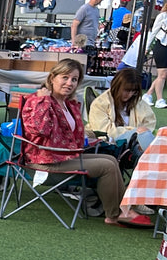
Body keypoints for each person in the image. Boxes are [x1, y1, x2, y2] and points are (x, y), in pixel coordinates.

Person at [23, 59, 145, 227]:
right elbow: (39, 130)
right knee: (107, 166)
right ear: (52, 78)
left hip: (64, 157)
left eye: (74, 79)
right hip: (45, 162)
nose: (69, 83)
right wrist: (42, 101)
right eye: (64, 77)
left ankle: (124, 209)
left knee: (110, 160)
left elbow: (73, 137)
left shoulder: (68, 104)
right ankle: (115, 214)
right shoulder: (36, 101)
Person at [88, 68, 156, 155]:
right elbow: (103, 130)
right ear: (117, 86)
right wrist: (135, 131)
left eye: (134, 91)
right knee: (142, 135)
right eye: (127, 90)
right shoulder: (100, 103)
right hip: (111, 141)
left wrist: (138, 135)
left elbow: (149, 124)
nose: (130, 94)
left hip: (136, 142)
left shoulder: (138, 102)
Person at [143, 9, 167, 108]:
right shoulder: (162, 16)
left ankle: (148, 94)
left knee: (162, 75)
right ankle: (159, 99)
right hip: (162, 45)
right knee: (163, 74)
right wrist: (147, 47)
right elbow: (154, 32)